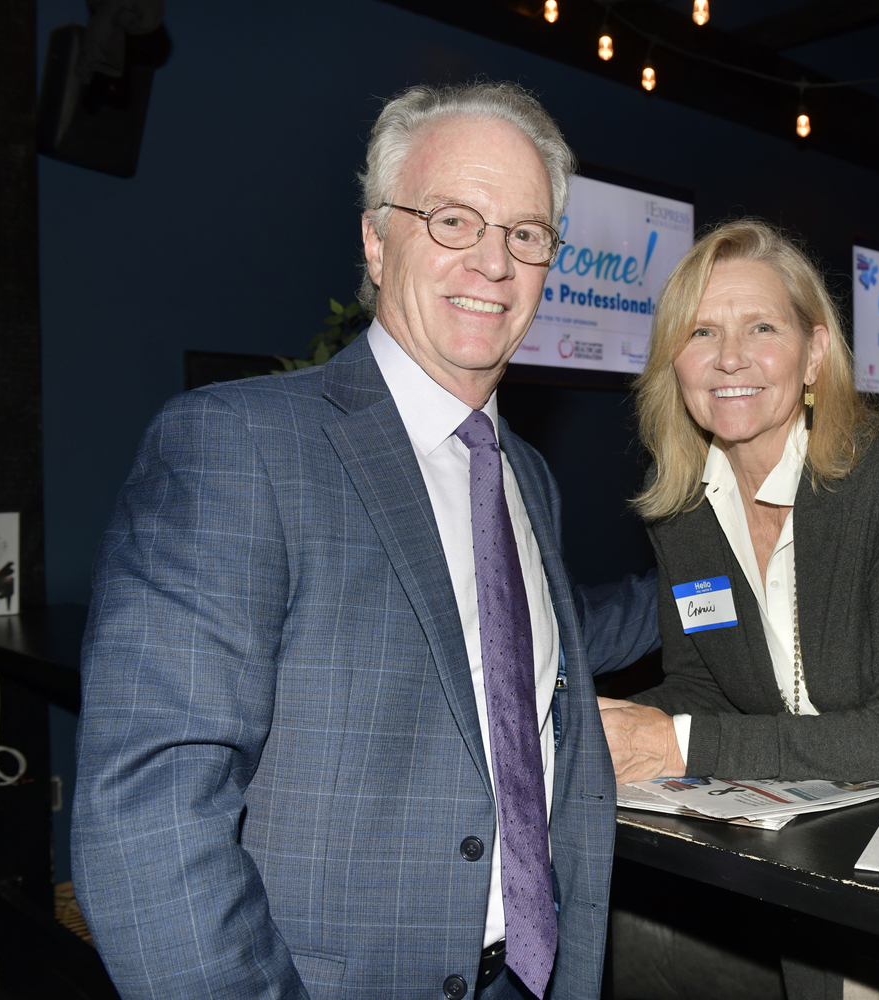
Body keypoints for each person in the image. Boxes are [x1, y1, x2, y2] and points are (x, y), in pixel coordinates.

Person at [71, 82, 660, 1000]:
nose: (494, 263)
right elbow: (148, 817)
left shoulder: (524, 476)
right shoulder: (238, 446)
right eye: (455, 221)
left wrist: (735, 591)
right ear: (377, 241)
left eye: (526, 234)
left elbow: (527, 651)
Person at [594, 218, 879, 787]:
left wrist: (673, 746)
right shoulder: (681, 507)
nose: (729, 358)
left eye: (762, 328)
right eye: (700, 332)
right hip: (827, 805)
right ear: (673, 361)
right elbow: (704, 688)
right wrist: (601, 726)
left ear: (815, 354)